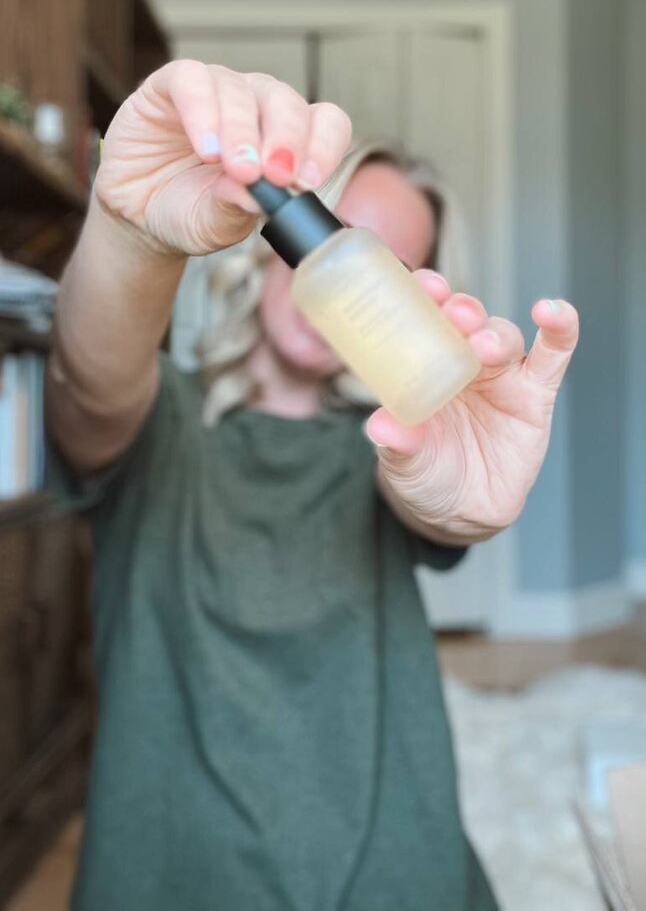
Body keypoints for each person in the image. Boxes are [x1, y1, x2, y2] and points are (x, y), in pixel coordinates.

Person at [47, 60, 579, 911]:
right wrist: (132, 234)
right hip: (177, 869)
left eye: (391, 266)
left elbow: (436, 512)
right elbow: (90, 382)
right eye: (334, 231)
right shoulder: (166, 423)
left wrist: (459, 505)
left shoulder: (396, 452)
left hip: (394, 864)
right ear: (269, 240)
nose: (344, 277)